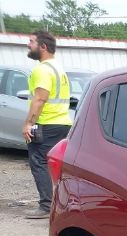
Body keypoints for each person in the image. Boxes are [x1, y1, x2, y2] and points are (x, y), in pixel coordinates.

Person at [22, 30, 72, 220]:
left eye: (31, 41)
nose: (28, 44)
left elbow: (40, 98)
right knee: (57, 165)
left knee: (39, 162)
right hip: (62, 122)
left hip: (46, 124)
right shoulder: (58, 68)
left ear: (43, 46)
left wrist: (28, 124)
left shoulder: (42, 69)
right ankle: (61, 203)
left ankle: (45, 206)